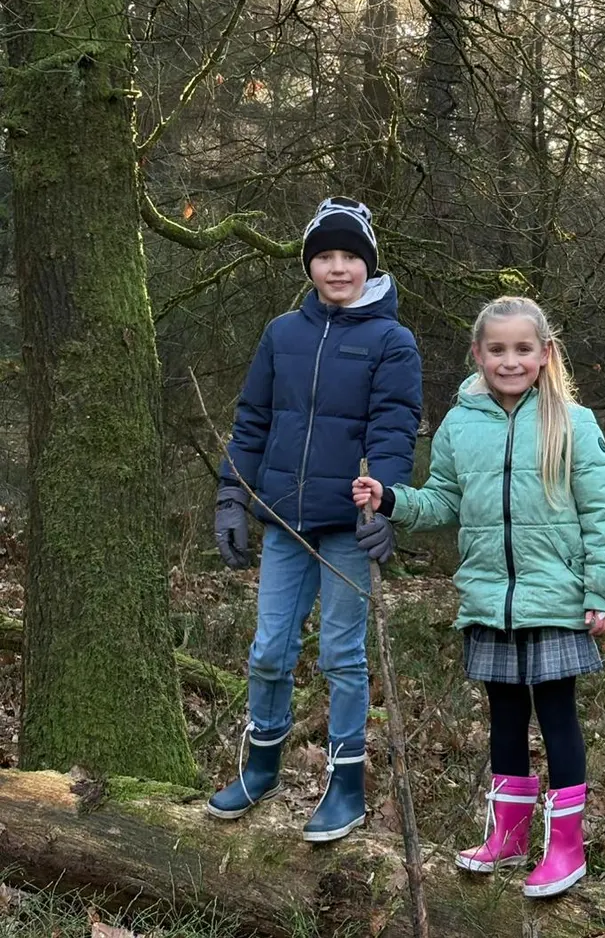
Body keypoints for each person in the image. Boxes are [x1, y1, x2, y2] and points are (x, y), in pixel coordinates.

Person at [353, 295, 605, 899]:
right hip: (489, 599)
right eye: (497, 349)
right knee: (504, 717)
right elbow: (443, 501)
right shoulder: (459, 424)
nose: (510, 361)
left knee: (556, 716)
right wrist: (392, 500)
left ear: (544, 353)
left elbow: (604, 514)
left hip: (556, 598)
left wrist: (604, 592)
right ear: (478, 354)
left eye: (523, 349)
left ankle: (566, 847)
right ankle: (508, 835)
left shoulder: (572, 422)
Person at [209, 197, 421, 842]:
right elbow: (253, 419)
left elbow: (394, 430)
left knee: (340, 654)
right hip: (284, 522)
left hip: (348, 525)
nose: (337, 267)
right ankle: (261, 768)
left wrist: (386, 503)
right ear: (308, 265)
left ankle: (346, 785)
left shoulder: (392, 342)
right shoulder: (283, 334)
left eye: (349, 256)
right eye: (324, 255)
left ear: (368, 265)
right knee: (270, 648)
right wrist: (231, 495)